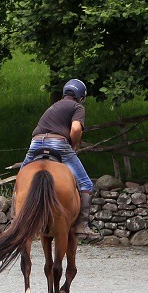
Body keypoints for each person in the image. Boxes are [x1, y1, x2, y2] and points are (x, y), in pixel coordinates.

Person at [21, 78, 97, 236]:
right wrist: (73, 145)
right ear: (81, 97)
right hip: (58, 144)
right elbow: (76, 129)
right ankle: (82, 225)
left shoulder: (54, 106)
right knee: (86, 184)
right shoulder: (77, 107)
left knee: (20, 181)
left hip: (35, 143)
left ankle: (14, 220)